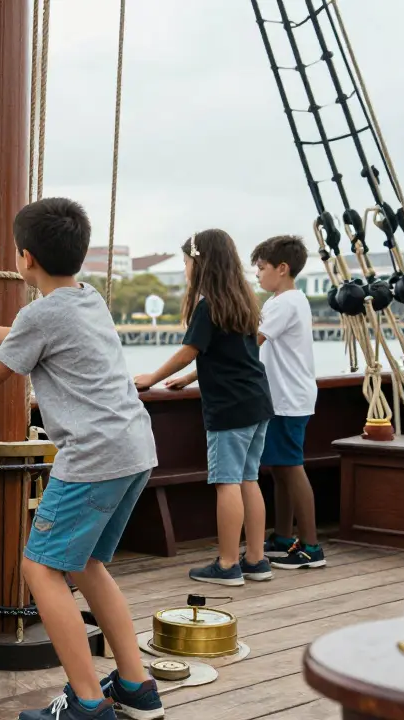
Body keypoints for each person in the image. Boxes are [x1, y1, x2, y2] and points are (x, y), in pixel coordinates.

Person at [0, 198, 162, 720]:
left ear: (24, 258)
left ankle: (87, 702)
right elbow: (23, 343)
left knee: (40, 569)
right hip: (134, 449)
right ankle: (136, 686)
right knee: (90, 565)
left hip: (93, 457)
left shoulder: (40, 313)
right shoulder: (87, 298)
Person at [134, 230, 275, 587]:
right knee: (249, 479)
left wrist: (152, 378)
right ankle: (256, 559)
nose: (184, 269)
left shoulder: (207, 304)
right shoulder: (242, 300)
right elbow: (232, 354)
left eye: (185, 262)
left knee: (226, 482)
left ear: (200, 263)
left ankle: (228, 564)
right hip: (256, 400)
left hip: (229, 407)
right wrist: (192, 379)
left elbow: (189, 349)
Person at [252, 235, 325, 570]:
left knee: (291, 467)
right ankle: (283, 537)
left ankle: (311, 546)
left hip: (286, 399)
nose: (257, 274)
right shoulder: (292, 299)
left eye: (261, 267)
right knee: (281, 468)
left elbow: (253, 341)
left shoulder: (283, 303)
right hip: (290, 396)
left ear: (282, 268)